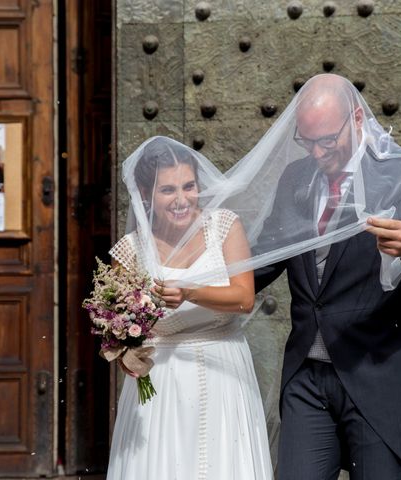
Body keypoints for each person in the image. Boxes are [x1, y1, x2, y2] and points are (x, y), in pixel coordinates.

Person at [253, 74, 401, 479]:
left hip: (378, 381)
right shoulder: (295, 179)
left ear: (357, 119)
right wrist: (195, 284)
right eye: (307, 141)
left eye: (327, 140)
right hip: (307, 379)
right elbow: (262, 259)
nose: (318, 153)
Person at [106, 137, 272, 480]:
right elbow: (119, 324)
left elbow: (244, 297)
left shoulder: (225, 226)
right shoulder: (130, 250)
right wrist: (124, 349)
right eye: (168, 190)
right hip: (162, 380)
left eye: (189, 186)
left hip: (223, 369)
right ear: (146, 193)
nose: (182, 200)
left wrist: (191, 292)